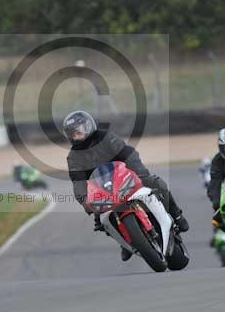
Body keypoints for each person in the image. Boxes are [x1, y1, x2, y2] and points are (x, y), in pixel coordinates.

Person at [64, 110, 189, 261]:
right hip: (102, 189)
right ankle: (125, 242)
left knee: (155, 182)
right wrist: (85, 202)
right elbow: (78, 182)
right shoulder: (73, 157)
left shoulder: (105, 137)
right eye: (72, 134)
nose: (76, 136)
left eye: (78, 132)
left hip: (124, 176)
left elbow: (127, 153)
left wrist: (140, 172)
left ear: (88, 126)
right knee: (100, 220)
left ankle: (177, 215)